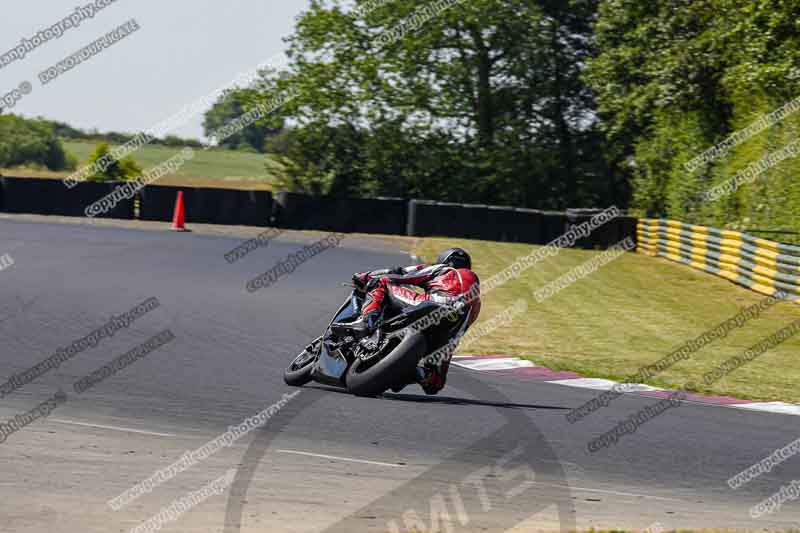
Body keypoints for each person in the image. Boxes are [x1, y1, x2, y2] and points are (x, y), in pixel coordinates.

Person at [332, 248, 481, 394]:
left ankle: (366, 321)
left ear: (446, 261)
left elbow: (401, 273)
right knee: (435, 383)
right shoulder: (476, 300)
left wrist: (366, 276)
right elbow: (462, 328)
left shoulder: (443, 269)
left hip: (434, 303)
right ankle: (415, 373)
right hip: (450, 333)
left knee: (382, 282)